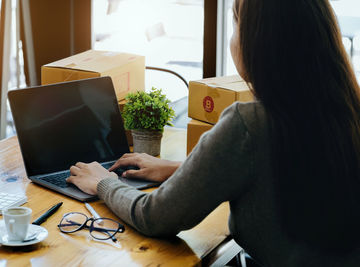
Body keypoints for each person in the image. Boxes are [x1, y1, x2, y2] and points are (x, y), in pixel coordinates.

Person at [66, 0, 360, 266]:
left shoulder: (250, 123)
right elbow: (289, 173)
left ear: (259, 41)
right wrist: (178, 170)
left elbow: (154, 216)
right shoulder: (344, 110)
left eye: (235, 24)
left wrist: (103, 182)